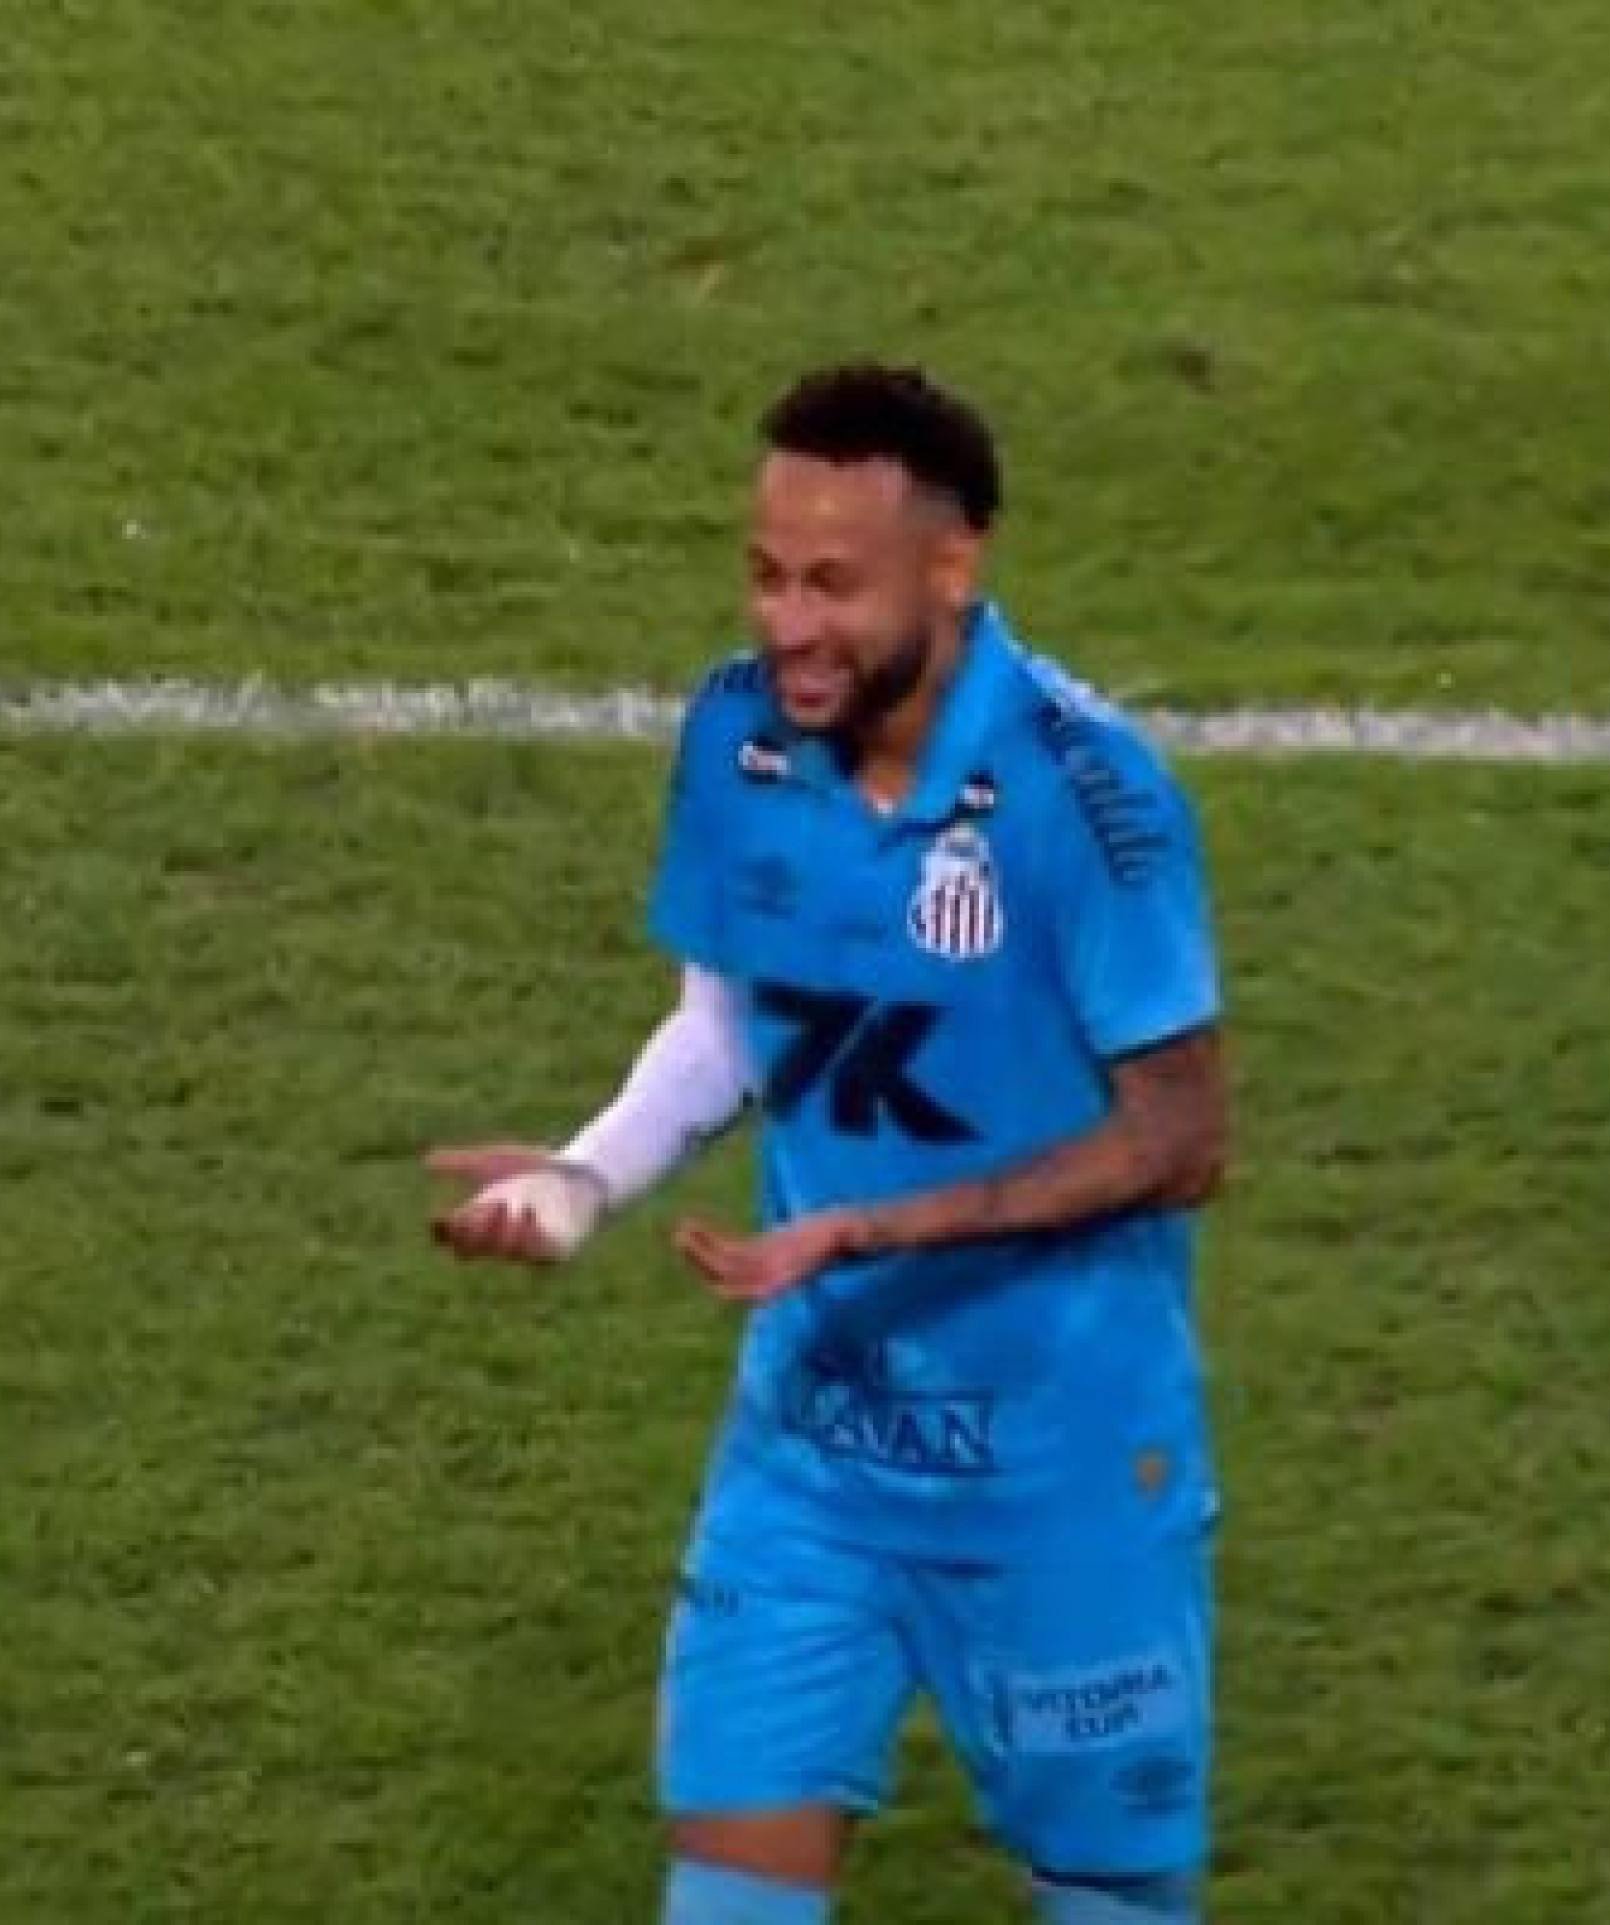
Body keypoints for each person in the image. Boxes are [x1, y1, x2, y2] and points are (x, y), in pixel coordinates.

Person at [427, 362, 1234, 1925]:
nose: (786, 625)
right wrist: (584, 1177)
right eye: (766, 574)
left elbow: (1181, 1138)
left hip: (1060, 1468)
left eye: (832, 585)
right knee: (729, 1884)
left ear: (952, 565)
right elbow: (730, 1021)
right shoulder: (738, 735)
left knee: (1110, 1894)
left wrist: (869, 1228)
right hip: (812, 1456)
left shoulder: (1087, 798)